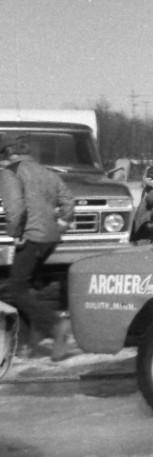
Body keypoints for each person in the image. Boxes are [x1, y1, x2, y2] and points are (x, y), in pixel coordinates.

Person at [0, 140, 75, 360]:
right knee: (27, 285)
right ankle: (27, 344)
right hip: (50, 237)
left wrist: (16, 234)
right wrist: (61, 224)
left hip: (31, 236)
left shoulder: (10, 172)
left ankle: (56, 326)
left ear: (9, 154)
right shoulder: (47, 172)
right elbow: (68, 201)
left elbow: (16, 209)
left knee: (16, 289)